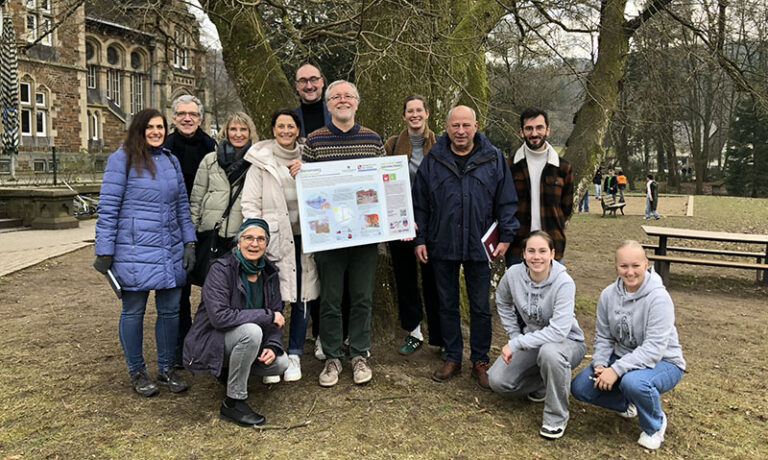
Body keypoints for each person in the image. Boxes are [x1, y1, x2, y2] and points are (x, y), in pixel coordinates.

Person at [412, 105, 518, 388]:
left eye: (466, 125)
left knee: (480, 307)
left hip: (479, 246)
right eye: (455, 126)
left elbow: (506, 202)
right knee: (446, 304)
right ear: (446, 127)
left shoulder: (493, 158)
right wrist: (420, 239)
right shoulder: (433, 160)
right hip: (441, 243)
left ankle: (480, 360)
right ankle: (453, 356)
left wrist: (507, 236)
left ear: (475, 126)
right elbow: (419, 204)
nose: (460, 131)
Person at [93, 108, 196, 397]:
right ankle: (137, 371)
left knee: (170, 311)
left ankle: (166, 369)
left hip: (169, 248)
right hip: (134, 250)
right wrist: (105, 250)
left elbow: (181, 208)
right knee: (133, 311)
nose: (156, 132)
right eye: (150, 127)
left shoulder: (170, 160)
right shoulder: (122, 159)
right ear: (139, 129)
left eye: (160, 127)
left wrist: (189, 243)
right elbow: (108, 208)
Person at [301, 80, 386, 387]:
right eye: (335, 96)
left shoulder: (373, 140)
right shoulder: (314, 140)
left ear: (356, 102)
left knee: (362, 297)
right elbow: (308, 190)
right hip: (328, 235)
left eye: (348, 95)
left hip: (365, 236)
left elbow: (383, 188)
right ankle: (334, 356)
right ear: (328, 104)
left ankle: (360, 354)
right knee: (331, 299)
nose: (342, 100)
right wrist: (301, 175)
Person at [571, 240, 685, 450]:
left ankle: (655, 424)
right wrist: (600, 364)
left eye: (636, 265)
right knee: (580, 388)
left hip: (664, 361)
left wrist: (615, 370)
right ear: (616, 267)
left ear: (646, 264)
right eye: (624, 266)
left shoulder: (659, 298)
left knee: (633, 382)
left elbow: (653, 349)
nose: (630, 272)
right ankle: (629, 403)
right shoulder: (608, 295)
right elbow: (604, 336)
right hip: (622, 358)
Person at [183, 219, 289, 427]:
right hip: (211, 340)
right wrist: (266, 316)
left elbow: (275, 318)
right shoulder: (221, 270)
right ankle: (233, 402)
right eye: (248, 238)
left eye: (260, 239)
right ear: (238, 242)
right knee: (252, 332)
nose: (254, 244)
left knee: (281, 362)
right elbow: (220, 317)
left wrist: (272, 345)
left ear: (266, 244)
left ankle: (228, 373)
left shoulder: (270, 273)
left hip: (243, 342)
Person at [242, 109, 320, 383]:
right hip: (272, 241)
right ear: (273, 129)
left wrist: (308, 172)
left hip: (305, 239)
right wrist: (257, 235)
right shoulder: (260, 162)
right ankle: (272, 353)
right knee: (271, 299)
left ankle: (295, 352)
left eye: (291, 126)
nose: (286, 131)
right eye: (280, 126)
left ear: (298, 130)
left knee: (302, 295)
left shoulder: (310, 158)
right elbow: (250, 204)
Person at [487, 231, 586, 440]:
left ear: (552, 254)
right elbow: (502, 300)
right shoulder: (513, 274)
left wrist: (517, 344)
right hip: (532, 340)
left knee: (550, 353)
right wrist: (514, 335)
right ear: (523, 254)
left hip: (568, 343)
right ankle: (545, 383)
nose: (536, 256)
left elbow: (559, 331)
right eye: (531, 251)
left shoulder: (564, 282)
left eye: (542, 251)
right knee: (497, 380)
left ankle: (556, 418)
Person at [383, 95, 442, 356]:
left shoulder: (441, 145)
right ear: (404, 115)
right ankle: (414, 330)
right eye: (410, 111)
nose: (415, 115)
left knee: (434, 279)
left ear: (427, 114)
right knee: (405, 278)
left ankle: (440, 335)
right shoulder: (392, 144)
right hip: (400, 223)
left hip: (432, 224)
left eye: (419, 110)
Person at [164, 94, 217, 368]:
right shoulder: (164, 147)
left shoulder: (211, 147)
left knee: (211, 290)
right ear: (174, 118)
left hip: (205, 229)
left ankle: (205, 344)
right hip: (172, 230)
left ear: (200, 118)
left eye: (192, 114)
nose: (187, 118)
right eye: (182, 114)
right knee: (177, 292)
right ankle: (178, 349)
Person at [189, 112, 257, 281]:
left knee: (238, 286)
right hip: (212, 234)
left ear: (250, 133)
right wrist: (192, 236)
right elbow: (197, 199)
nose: (238, 134)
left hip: (241, 237)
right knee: (212, 287)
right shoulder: (210, 160)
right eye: (233, 129)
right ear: (226, 132)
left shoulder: (256, 162)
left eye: (243, 129)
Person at [506, 108, 573, 267]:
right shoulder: (509, 167)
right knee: (517, 293)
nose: (534, 133)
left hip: (552, 247)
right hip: (517, 248)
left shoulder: (563, 168)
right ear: (521, 132)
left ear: (547, 130)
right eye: (529, 128)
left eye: (539, 128)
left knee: (552, 292)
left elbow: (566, 208)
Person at [294, 63, 331, 138]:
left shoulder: (335, 115)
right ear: (296, 86)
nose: (309, 86)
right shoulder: (291, 119)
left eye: (313, 79)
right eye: (303, 81)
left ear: (322, 82)